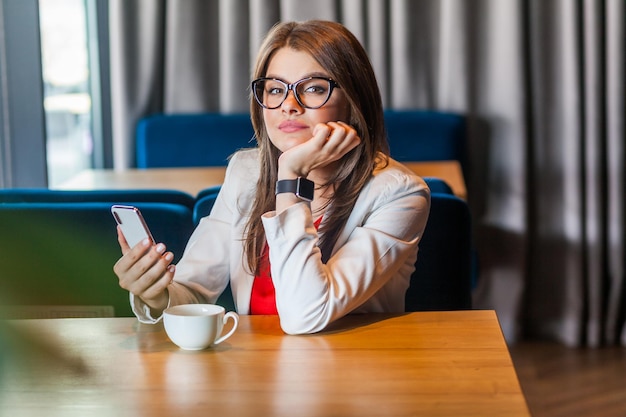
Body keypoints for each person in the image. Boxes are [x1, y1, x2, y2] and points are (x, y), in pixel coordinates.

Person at [113, 20, 430, 335]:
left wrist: (291, 176)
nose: (289, 106)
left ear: (353, 101)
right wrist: (157, 294)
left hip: (351, 371)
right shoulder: (245, 173)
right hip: (257, 370)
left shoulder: (399, 194)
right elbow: (192, 290)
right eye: (276, 89)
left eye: (314, 88)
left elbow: (305, 315)